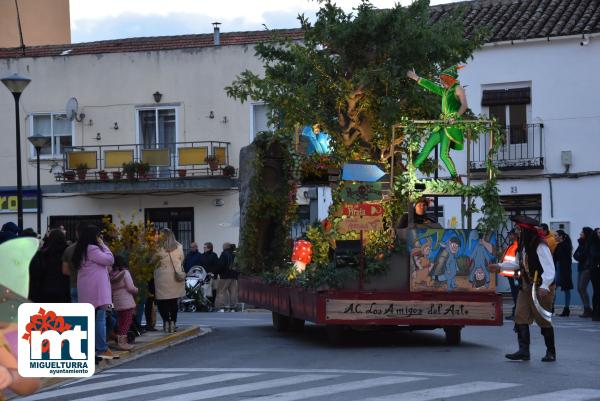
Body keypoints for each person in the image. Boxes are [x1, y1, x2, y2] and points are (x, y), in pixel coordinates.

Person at [488, 215, 557, 362]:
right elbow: (519, 264)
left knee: (543, 320)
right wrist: (500, 266)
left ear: (526, 232)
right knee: (520, 315)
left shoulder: (540, 246)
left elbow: (550, 269)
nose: (517, 232)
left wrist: (545, 286)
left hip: (540, 287)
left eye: (519, 230)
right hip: (526, 286)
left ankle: (551, 352)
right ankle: (524, 351)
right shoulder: (523, 245)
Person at [406, 66, 468, 182]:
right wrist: (416, 78)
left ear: (449, 79)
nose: (441, 82)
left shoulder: (457, 88)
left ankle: (456, 179)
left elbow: (464, 105)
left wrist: (456, 116)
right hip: (441, 125)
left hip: (450, 126)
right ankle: (409, 171)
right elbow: (432, 86)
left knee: (443, 155)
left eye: (443, 80)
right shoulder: (445, 91)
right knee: (426, 149)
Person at [73, 225, 116, 360]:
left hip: (87, 289)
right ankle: (102, 348)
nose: (100, 238)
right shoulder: (92, 249)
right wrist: (104, 245)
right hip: (96, 290)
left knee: (90, 321)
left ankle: (89, 348)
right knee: (100, 320)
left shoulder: (81, 249)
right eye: (98, 236)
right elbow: (109, 259)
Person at [154, 228, 186, 333]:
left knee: (162, 302)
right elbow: (182, 259)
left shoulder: (157, 248)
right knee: (173, 302)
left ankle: (166, 322)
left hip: (161, 278)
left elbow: (151, 261)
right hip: (175, 277)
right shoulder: (179, 247)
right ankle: (173, 323)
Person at [28, 229, 70, 303]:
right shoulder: (67, 251)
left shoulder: (43, 253)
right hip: (64, 288)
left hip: (46, 288)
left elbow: (37, 272)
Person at [109, 255, 137, 351]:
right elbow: (130, 287)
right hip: (126, 300)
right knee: (127, 321)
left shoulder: (111, 274)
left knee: (121, 321)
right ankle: (123, 342)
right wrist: (136, 290)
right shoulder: (125, 273)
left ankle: (120, 340)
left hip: (117, 300)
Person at [62, 222, 86, 302]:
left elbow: (65, 271)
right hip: (90, 287)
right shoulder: (94, 250)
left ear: (76, 233)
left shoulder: (69, 249)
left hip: (74, 285)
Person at [574, 227, 594, 318]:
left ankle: (587, 309)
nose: (580, 233)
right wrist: (580, 256)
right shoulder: (581, 243)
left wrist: (580, 256)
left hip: (587, 268)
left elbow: (583, 255)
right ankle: (587, 308)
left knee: (582, 287)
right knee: (579, 288)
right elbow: (575, 255)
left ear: (586, 233)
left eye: (582, 232)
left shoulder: (589, 243)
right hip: (580, 267)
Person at [554, 230, 574, 317]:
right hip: (559, 268)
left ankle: (566, 309)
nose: (555, 237)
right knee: (558, 288)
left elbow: (564, 259)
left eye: (556, 235)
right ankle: (564, 309)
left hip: (563, 269)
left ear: (561, 236)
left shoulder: (565, 246)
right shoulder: (559, 245)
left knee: (558, 287)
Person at [502, 229, 520, 320]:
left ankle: (516, 313)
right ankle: (516, 312)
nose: (509, 236)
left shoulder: (516, 245)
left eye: (510, 235)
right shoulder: (513, 245)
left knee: (516, 294)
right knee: (515, 294)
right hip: (511, 274)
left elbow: (516, 262)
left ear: (515, 235)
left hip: (514, 274)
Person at [214, 242, 239, 310]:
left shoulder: (224, 254)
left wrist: (216, 272)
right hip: (233, 276)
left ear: (226, 247)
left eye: (223, 246)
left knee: (221, 291)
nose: (222, 247)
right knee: (233, 291)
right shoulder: (235, 254)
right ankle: (234, 306)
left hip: (225, 276)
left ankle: (221, 306)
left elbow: (221, 265)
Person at [589, 228, 600, 321]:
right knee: (597, 291)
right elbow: (595, 254)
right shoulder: (594, 244)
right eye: (599, 232)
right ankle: (596, 312)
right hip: (595, 270)